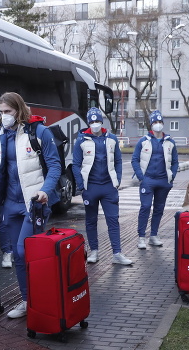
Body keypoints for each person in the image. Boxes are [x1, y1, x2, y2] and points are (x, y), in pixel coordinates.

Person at [0, 92, 61, 319]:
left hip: (34, 202)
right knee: (17, 256)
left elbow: (55, 166)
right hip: (10, 203)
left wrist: (44, 191)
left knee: (25, 250)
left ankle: (43, 297)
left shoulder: (39, 131)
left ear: (19, 110)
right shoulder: (1, 136)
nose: (4, 116)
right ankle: (27, 301)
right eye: (0, 112)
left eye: (7, 112)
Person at [72, 108, 133, 265]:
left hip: (108, 187)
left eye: (97, 121)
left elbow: (118, 161)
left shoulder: (111, 138)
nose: (95, 124)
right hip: (90, 187)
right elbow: (76, 164)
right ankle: (94, 252)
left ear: (102, 121)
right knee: (91, 221)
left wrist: (117, 180)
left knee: (113, 220)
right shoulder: (81, 140)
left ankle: (117, 253)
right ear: (88, 122)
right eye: (91, 122)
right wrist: (81, 186)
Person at [131, 110, 179, 249]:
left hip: (163, 181)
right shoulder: (143, 141)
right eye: (155, 122)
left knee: (159, 209)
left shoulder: (170, 142)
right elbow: (135, 159)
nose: (158, 125)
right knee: (145, 207)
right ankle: (141, 237)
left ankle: (153, 235)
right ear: (151, 125)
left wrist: (172, 175)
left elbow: (175, 161)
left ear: (163, 124)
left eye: (160, 122)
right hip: (148, 180)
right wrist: (141, 177)